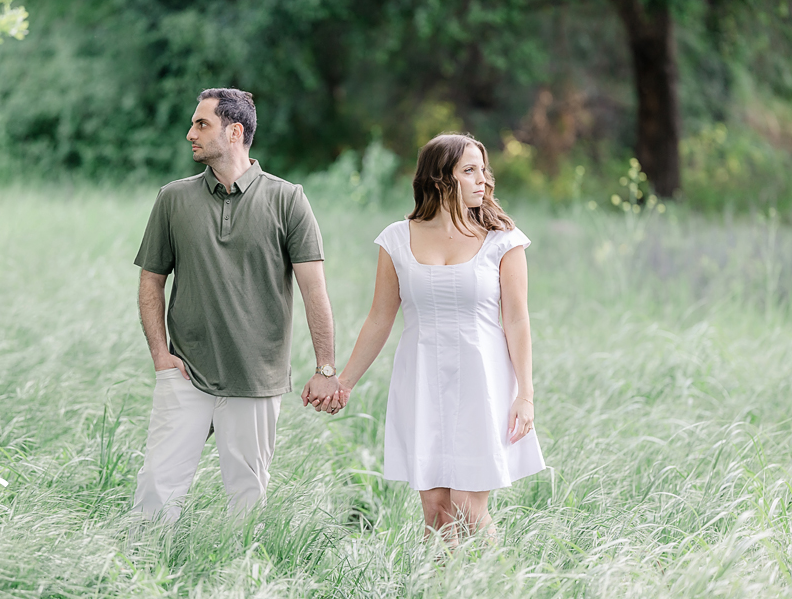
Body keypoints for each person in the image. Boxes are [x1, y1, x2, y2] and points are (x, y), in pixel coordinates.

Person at [318, 133, 546, 545]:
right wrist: (344, 382)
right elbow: (379, 318)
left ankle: (500, 577)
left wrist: (525, 395)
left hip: (482, 382)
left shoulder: (503, 239)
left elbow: (517, 321)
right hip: (422, 381)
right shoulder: (396, 239)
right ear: (441, 179)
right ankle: (441, 579)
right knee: (437, 511)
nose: (483, 180)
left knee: (469, 509)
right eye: (470, 171)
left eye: (483, 170)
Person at [131, 88, 341, 523]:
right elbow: (151, 279)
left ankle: (236, 565)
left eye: (201, 124)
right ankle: (144, 562)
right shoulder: (173, 198)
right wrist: (160, 355)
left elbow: (314, 290)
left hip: (255, 377)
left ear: (234, 132)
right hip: (185, 371)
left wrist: (326, 368)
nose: (190, 133)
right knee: (156, 486)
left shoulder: (288, 199)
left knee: (247, 498)